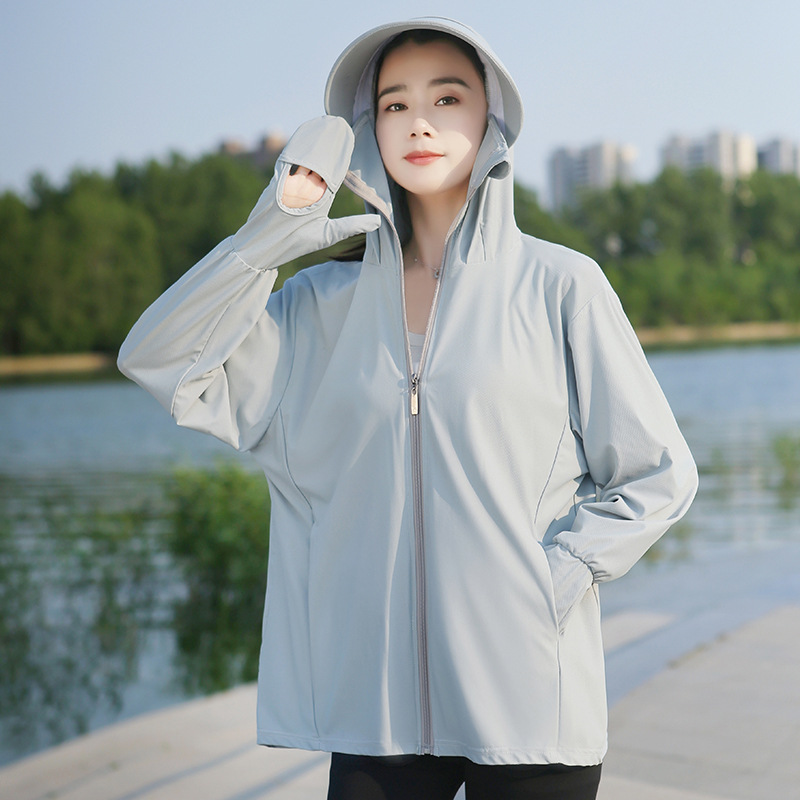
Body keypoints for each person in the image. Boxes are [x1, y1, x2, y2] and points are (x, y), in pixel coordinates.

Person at [118, 17, 698, 800]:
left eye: (446, 98)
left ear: (491, 122)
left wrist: (553, 579)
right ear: (368, 130)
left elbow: (658, 473)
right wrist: (269, 237)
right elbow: (158, 361)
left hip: (529, 698)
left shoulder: (561, 287)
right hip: (376, 714)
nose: (419, 122)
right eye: (395, 104)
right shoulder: (314, 307)